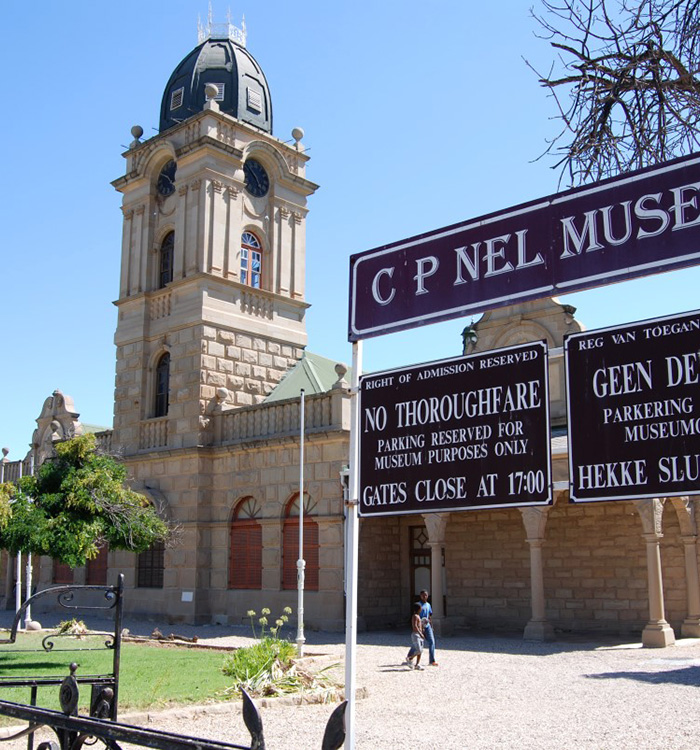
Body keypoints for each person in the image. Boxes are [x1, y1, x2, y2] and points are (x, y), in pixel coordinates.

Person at [419, 589, 438, 666]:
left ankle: (432, 660)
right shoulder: (418, 605)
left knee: (432, 642)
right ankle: (410, 657)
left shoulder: (428, 605)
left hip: (427, 626)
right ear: (420, 596)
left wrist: (431, 626)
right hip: (420, 626)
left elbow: (429, 616)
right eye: (423, 595)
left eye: (426, 595)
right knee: (418, 644)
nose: (424, 596)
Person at [404, 602, 424, 670]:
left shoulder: (418, 616)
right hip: (416, 635)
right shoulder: (415, 616)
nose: (421, 609)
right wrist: (420, 633)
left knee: (420, 650)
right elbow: (415, 626)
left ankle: (417, 664)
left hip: (419, 635)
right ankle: (410, 658)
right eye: (420, 608)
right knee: (418, 650)